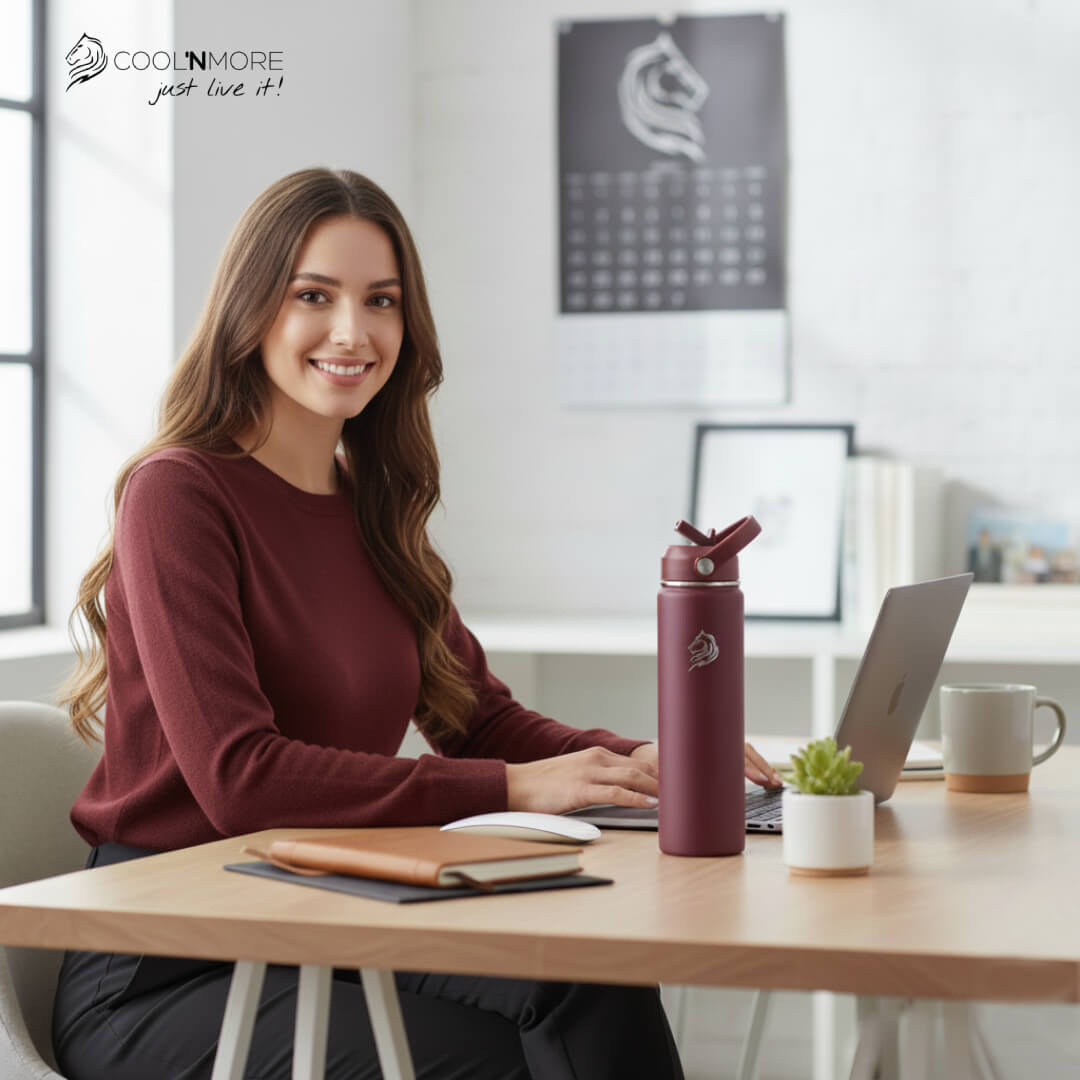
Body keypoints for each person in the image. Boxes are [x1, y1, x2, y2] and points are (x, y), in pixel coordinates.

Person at [51, 167, 783, 1080]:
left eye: (381, 301)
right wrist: (516, 789)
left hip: (313, 917)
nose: (352, 332)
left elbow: (479, 718)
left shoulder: (371, 509)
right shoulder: (178, 495)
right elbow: (241, 780)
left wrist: (629, 762)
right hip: (169, 965)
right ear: (251, 312)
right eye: (312, 295)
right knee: (514, 1055)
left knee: (593, 978)